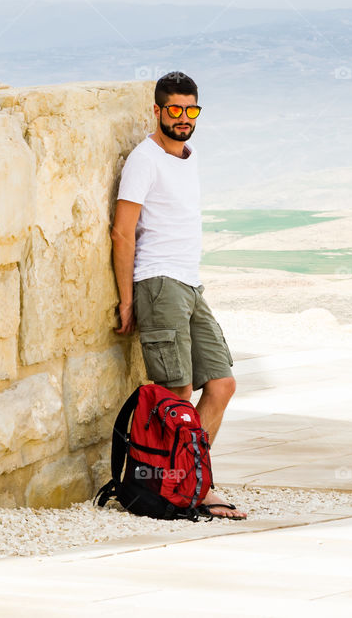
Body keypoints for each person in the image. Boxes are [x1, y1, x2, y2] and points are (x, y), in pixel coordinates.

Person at [111, 71, 246, 520]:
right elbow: (123, 232)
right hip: (158, 281)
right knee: (178, 394)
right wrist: (127, 299)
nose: (184, 118)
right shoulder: (144, 160)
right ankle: (184, 489)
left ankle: (192, 478)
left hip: (190, 283)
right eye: (175, 110)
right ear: (158, 110)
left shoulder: (188, 157)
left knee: (222, 383)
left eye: (191, 110)